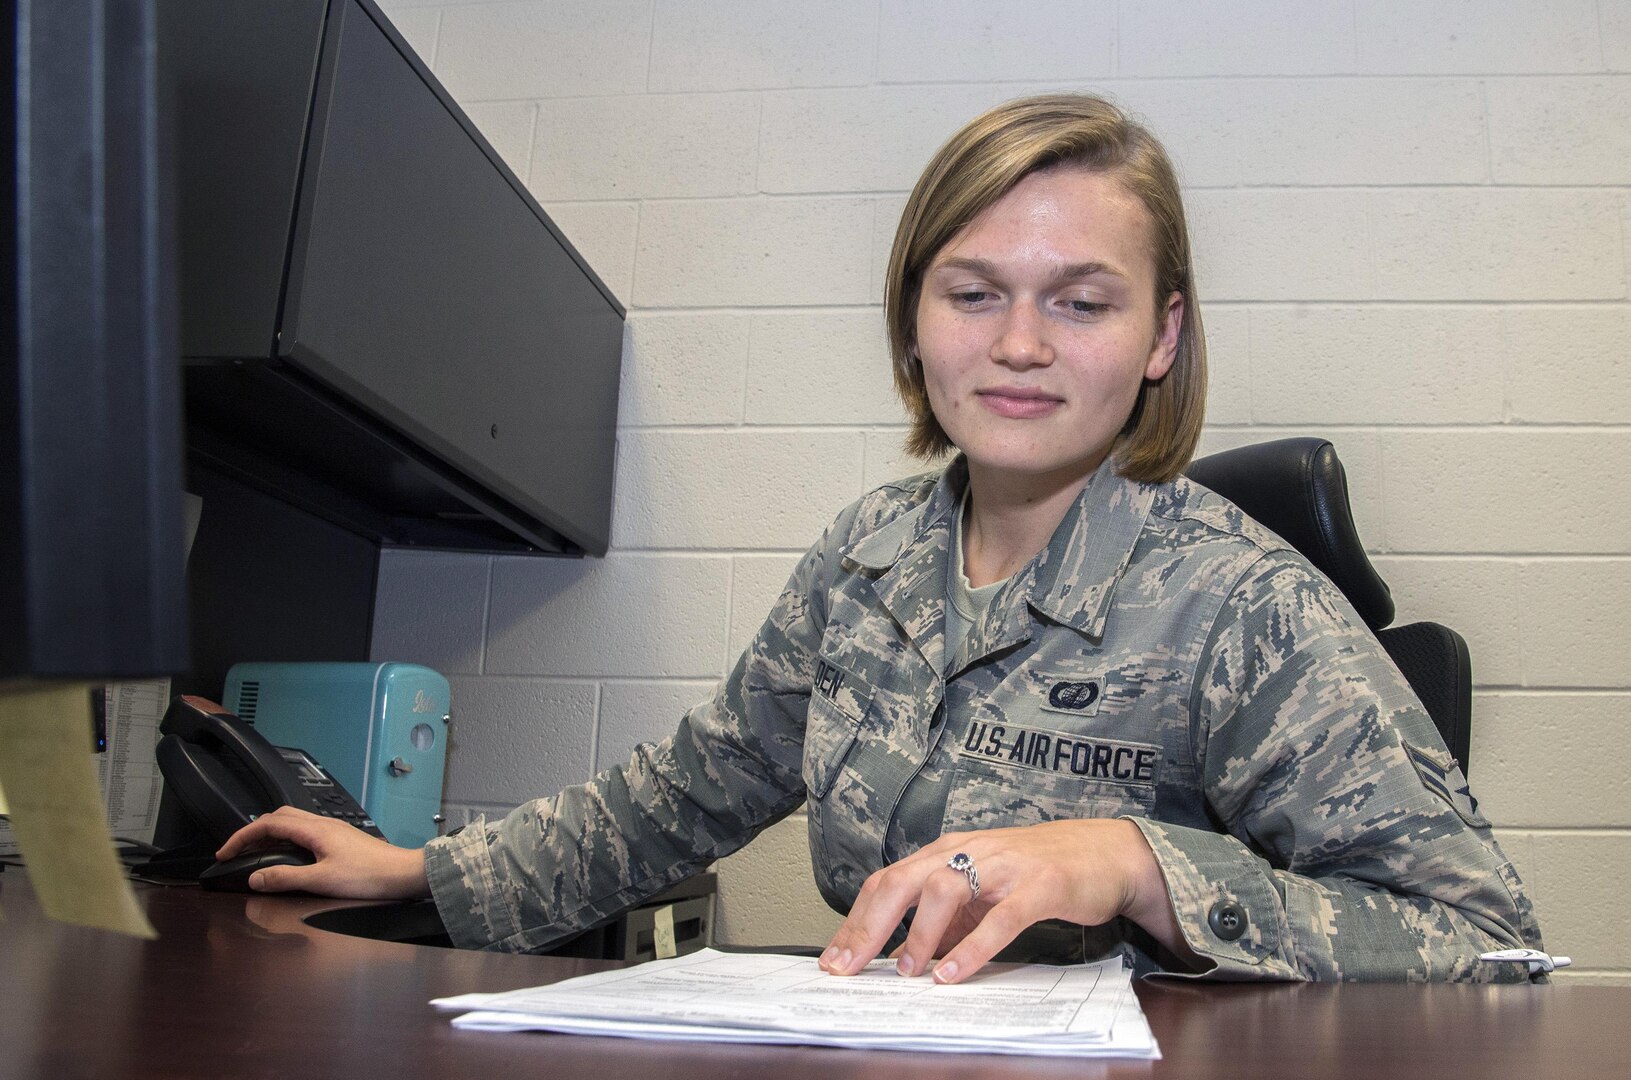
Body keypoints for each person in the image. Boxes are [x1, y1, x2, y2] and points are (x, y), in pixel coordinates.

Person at [217, 93, 1542, 982]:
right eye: (974, 294)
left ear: (1163, 339)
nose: (1020, 345)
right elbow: (685, 794)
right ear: (913, 318)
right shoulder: (868, 559)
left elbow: (1487, 946)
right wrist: (420, 871)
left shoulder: (1240, 605)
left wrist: (1140, 864)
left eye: (1082, 303)